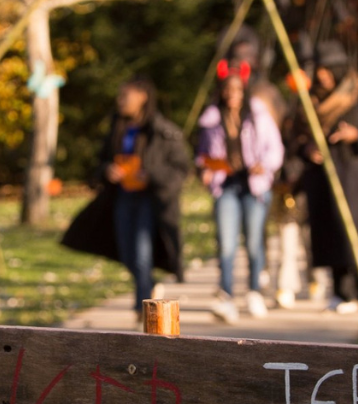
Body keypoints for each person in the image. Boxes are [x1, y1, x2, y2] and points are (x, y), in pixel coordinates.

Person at [61, 77, 192, 317]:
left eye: (125, 96)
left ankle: (141, 306)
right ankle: (149, 285)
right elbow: (100, 163)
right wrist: (107, 170)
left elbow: (181, 168)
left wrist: (150, 175)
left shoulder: (162, 131)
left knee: (142, 253)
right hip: (121, 198)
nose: (120, 101)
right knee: (126, 253)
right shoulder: (117, 129)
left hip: (149, 200)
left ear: (142, 96)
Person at [288, 41, 358, 314]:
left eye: (327, 70)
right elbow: (295, 135)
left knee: (357, 233)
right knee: (331, 232)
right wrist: (307, 149)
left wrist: (356, 136)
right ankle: (342, 293)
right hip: (322, 176)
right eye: (319, 70)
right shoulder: (311, 99)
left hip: (355, 174)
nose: (322, 75)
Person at [196, 64, 285, 322]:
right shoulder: (212, 119)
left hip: (254, 185)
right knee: (226, 243)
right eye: (228, 90)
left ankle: (254, 290)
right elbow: (201, 154)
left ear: (243, 91)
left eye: (237, 89)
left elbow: (275, 149)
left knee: (255, 242)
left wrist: (264, 166)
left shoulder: (258, 115)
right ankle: (225, 296)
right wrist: (205, 168)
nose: (232, 94)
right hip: (226, 184)